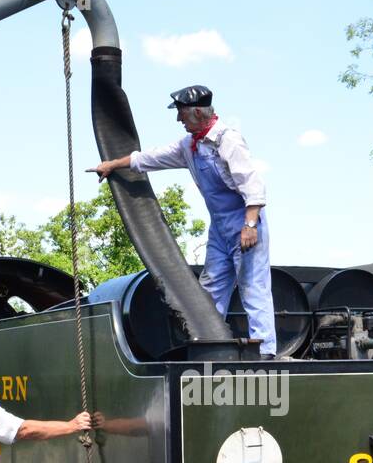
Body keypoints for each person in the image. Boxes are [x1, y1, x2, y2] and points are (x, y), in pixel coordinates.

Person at [92, 85, 277, 358]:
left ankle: (266, 353)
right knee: (210, 289)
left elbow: (252, 184)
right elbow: (150, 157)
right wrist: (112, 164)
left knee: (252, 287)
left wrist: (250, 226)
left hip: (244, 222)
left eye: (181, 113)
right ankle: (212, 345)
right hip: (219, 228)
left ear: (199, 112)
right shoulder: (189, 146)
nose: (179, 119)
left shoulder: (228, 141)